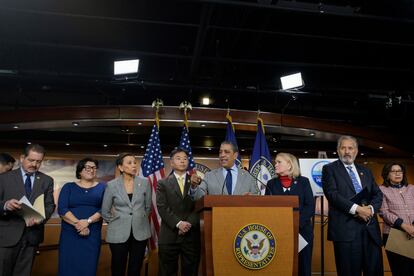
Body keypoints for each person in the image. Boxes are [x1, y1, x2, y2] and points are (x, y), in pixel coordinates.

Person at [322, 135, 383, 276]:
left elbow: (378, 194)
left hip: (370, 231)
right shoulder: (329, 169)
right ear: (338, 150)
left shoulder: (366, 171)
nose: (347, 151)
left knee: (375, 271)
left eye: (350, 148)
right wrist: (358, 209)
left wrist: (370, 209)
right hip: (345, 231)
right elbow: (332, 194)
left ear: (356, 151)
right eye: (343, 148)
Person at [0, 144, 55, 276]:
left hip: (32, 237)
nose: (34, 164)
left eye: (38, 161)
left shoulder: (46, 180)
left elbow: (50, 205)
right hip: (6, 237)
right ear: (22, 158)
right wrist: (5, 205)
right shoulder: (3, 178)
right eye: (31, 160)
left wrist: (40, 218)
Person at [101, 153, 152, 276]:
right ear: (120, 167)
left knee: (135, 268)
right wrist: (117, 222)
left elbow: (148, 207)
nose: (134, 165)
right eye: (129, 163)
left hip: (140, 232)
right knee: (118, 268)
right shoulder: (112, 185)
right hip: (118, 233)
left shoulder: (145, 183)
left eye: (135, 162)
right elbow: (105, 211)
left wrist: (138, 219)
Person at [265, 152, 315, 276]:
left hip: (302, 232)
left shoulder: (304, 182)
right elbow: (267, 208)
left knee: (303, 267)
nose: (275, 164)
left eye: (279, 162)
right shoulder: (271, 184)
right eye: (275, 162)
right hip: (279, 233)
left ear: (289, 164)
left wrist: (295, 224)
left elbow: (310, 206)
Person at [57, 158, 106, 276]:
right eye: (87, 167)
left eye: (94, 168)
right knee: (67, 266)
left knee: (88, 267)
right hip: (70, 233)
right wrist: (79, 224)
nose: (91, 170)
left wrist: (88, 222)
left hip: (92, 233)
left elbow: (104, 209)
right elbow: (62, 209)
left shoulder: (103, 188)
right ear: (79, 171)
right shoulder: (68, 187)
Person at [157, 148, 200, 276]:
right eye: (178, 158)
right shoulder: (162, 183)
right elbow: (162, 207)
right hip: (169, 235)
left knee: (191, 271)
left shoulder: (197, 181)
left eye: (185, 158)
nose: (182, 161)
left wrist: (187, 224)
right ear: (171, 163)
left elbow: (198, 206)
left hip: (191, 236)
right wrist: (179, 224)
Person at [190, 141, 259, 199]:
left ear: (235, 155)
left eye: (226, 152)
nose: (222, 155)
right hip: (216, 214)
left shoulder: (248, 177)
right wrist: (194, 186)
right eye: (220, 152)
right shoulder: (210, 176)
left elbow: (257, 199)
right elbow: (198, 198)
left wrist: (251, 198)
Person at [379, 162, 414, 276]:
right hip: (394, 234)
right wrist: (404, 225)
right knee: (401, 271)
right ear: (387, 174)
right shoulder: (382, 190)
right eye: (393, 171)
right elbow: (383, 212)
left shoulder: (411, 188)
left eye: (399, 171)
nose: (397, 173)